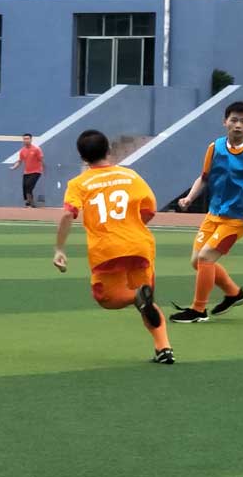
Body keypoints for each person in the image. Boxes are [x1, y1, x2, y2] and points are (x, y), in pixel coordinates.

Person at [53, 129, 174, 364]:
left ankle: (135, 297)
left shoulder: (78, 183)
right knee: (147, 301)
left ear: (82, 158)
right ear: (108, 150)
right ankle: (164, 348)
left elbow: (68, 215)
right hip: (140, 244)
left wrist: (59, 249)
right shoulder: (130, 176)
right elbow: (150, 209)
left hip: (106, 248)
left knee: (106, 297)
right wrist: (132, 226)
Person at [170, 101, 243, 323]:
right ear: (225, 121)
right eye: (234, 120)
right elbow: (204, 177)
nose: (238, 125)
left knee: (206, 258)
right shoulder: (214, 147)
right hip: (214, 213)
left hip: (237, 219)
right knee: (197, 261)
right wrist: (189, 197)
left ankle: (198, 311)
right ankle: (234, 293)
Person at [11, 133, 44, 207]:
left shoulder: (36, 149)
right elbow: (20, 161)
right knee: (25, 186)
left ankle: (29, 202)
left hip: (36, 171)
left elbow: (41, 159)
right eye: (24, 139)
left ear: (31, 139)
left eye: (27, 139)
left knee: (29, 185)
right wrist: (14, 167)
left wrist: (43, 168)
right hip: (26, 172)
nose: (26, 140)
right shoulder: (22, 150)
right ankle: (30, 203)